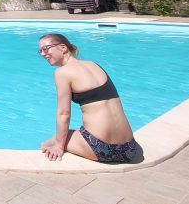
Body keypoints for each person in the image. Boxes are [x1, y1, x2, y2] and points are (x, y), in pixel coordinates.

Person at [38, 33, 140, 163]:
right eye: (40, 51)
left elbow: (64, 113)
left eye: (46, 49)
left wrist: (58, 146)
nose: (43, 54)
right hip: (129, 148)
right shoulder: (93, 65)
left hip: (101, 148)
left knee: (48, 143)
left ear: (63, 48)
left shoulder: (62, 72)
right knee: (69, 134)